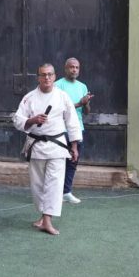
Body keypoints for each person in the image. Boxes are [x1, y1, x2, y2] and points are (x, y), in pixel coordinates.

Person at [13, 63, 81, 235]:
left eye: (50, 74)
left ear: (54, 76)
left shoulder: (62, 96)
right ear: (38, 77)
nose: (47, 78)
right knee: (38, 185)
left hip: (57, 146)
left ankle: (47, 220)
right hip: (36, 146)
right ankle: (43, 217)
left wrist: (74, 146)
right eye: (43, 75)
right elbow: (17, 119)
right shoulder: (29, 97)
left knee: (54, 184)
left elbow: (72, 121)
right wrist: (32, 120)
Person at [55, 57, 92, 204]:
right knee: (58, 162)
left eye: (77, 67)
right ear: (65, 69)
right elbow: (59, 109)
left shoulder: (82, 86)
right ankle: (54, 193)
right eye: (71, 67)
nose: (74, 70)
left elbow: (86, 112)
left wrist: (86, 103)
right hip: (61, 129)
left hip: (78, 129)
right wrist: (79, 103)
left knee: (72, 161)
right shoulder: (58, 85)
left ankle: (66, 192)